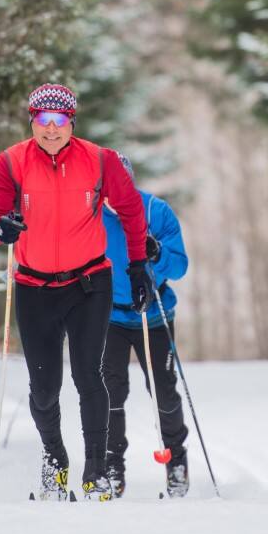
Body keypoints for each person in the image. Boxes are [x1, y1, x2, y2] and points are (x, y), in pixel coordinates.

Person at [0, 83, 154, 501]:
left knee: (88, 376)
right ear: (32, 122)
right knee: (43, 387)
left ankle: (96, 472)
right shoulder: (11, 162)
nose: (52, 129)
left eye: (60, 121)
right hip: (34, 286)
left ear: (72, 122)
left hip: (89, 284)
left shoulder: (99, 159)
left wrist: (138, 265)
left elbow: (130, 211)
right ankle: (55, 463)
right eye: (43, 120)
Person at [100, 153, 190, 498]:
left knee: (163, 389)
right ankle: (112, 468)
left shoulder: (155, 211)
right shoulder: (92, 215)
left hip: (153, 315)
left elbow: (180, 266)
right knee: (110, 391)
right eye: (108, 184)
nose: (114, 191)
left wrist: (156, 254)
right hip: (109, 316)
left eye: (121, 182)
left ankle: (176, 462)